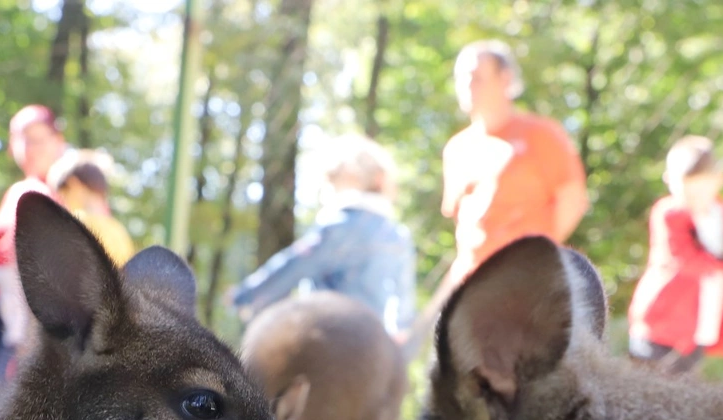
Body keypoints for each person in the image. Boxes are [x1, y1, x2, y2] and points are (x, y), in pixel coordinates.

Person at [230, 134, 416, 341]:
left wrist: (247, 296)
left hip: (328, 334)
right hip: (376, 338)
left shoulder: (338, 227)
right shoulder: (397, 234)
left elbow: (296, 265)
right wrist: (401, 328)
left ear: (349, 178)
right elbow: (403, 294)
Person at [441, 40, 589, 286]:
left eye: (477, 77)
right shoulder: (457, 148)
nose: (467, 85)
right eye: (462, 78)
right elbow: (462, 224)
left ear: (505, 79)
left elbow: (573, 200)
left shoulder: (541, 134)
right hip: (475, 284)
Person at [629, 137, 723, 374]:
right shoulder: (669, 214)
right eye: (686, 190)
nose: (694, 199)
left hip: (700, 329)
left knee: (684, 388)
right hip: (661, 326)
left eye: (701, 189)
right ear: (670, 181)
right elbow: (687, 261)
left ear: (719, 180)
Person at [0, 104, 68, 381]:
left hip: (30, 319)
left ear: (58, 141)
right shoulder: (17, 191)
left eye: (38, 139)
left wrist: (33, 331)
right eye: (22, 139)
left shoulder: (69, 194)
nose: (30, 148)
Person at [48, 149, 136, 266]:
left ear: (73, 184)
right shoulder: (119, 231)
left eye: (64, 195)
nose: (64, 203)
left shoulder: (76, 224)